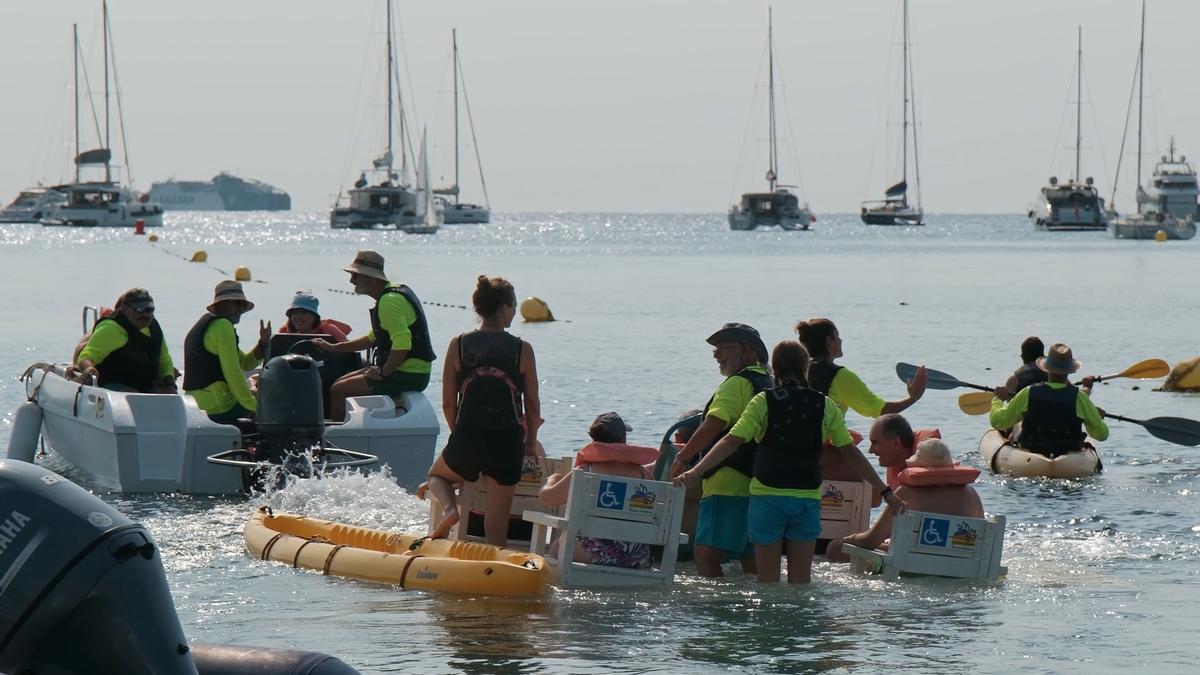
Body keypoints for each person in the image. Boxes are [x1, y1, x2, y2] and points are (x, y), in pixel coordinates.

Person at [676, 341, 904, 583]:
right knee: (800, 583)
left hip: (767, 498)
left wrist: (696, 470)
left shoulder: (764, 401)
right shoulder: (824, 404)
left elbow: (731, 441)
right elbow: (851, 453)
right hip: (806, 499)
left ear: (775, 368)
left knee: (768, 582)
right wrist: (885, 491)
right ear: (805, 367)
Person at [424, 275, 540, 547]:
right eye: (513, 306)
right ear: (504, 308)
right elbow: (533, 405)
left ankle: (450, 510)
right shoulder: (522, 349)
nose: (514, 312)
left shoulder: (459, 345)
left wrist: (459, 434)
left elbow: (448, 403)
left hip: (468, 438)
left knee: (436, 476)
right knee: (496, 526)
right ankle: (496, 575)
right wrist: (531, 442)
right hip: (508, 442)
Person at [670, 323, 773, 578]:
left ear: (747, 350)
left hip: (728, 480)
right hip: (761, 481)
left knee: (706, 553)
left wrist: (683, 458)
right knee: (750, 554)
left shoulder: (737, 383)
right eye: (715, 349)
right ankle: (758, 605)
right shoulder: (769, 383)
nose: (716, 354)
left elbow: (714, 423)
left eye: (724, 346)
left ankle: (715, 613)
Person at [795, 317, 929, 490]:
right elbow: (881, 410)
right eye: (837, 335)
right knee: (874, 495)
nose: (841, 340)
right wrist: (914, 396)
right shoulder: (841, 377)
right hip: (819, 453)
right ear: (829, 341)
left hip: (790, 450)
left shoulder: (798, 371)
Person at [315, 251, 435, 422]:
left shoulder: (389, 301)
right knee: (339, 381)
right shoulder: (390, 295)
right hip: (405, 370)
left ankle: (334, 439)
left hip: (410, 374)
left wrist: (383, 372)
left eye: (355, 276)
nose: (351, 281)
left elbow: (403, 344)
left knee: (339, 390)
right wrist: (335, 347)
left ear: (370, 278)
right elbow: (374, 337)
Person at [826, 435, 983, 562]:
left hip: (910, 564)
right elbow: (980, 541)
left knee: (834, 548)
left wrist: (848, 539)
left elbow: (870, 541)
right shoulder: (971, 495)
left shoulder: (906, 493)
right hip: (957, 564)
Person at [538, 412, 660, 568]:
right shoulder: (643, 475)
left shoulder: (585, 471)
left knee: (558, 545)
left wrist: (551, 481)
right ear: (623, 440)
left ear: (594, 441)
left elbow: (546, 499)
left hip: (593, 554)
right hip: (636, 557)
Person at [990, 342, 1108, 454]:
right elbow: (1102, 435)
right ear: (1069, 371)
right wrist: (1094, 418)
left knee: (1017, 427)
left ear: (1046, 368)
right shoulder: (1080, 398)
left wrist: (997, 399)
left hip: (1032, 452)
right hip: (1069, 455)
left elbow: (998, 421)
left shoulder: (1028, 393)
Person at [182, 280, 271, 424]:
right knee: (270, 402)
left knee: (255, 394)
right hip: (217, 405)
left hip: (193, 405)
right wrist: (253, 406)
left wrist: (262, 344)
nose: (240, 309)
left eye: (242, 305)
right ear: (221, 304)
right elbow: (233, 371)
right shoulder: (223, 326)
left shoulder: (208, 324)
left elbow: (244, 363)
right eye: (236, 304)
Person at [71, 288, 176, 393]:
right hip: (110, 385)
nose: (145, 314)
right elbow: (86, 357)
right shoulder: (111, 328)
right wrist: (88, 369)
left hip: (145, 386)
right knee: (132, 393)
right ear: (125, 309)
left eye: (149, 309)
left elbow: (165, 360)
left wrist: (169, 382)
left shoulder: (154, 328)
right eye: (139, 309)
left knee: (170, 395)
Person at [279, 291, 350, 342]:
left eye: (304, 312)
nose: (298, 317)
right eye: (294, 313)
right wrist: (267, 342)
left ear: (314, 316)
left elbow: (349, 353)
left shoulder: (329, 331)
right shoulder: (284, 333)